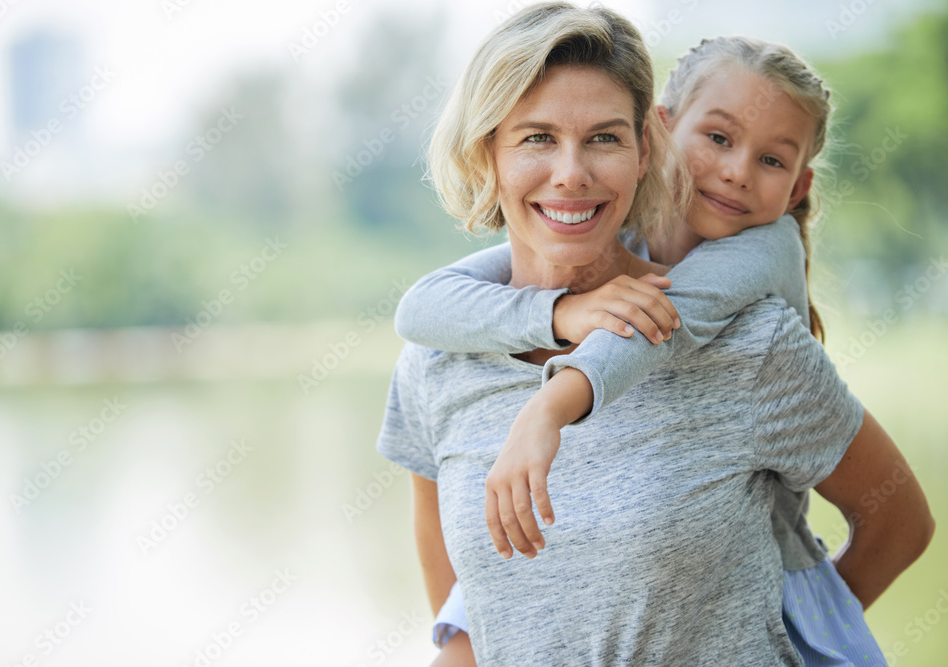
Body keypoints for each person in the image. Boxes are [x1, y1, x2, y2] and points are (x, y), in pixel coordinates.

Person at [375, 3, 934, 665]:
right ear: (484, 152)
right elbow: (464, 595)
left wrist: (788, 638)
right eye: (537, 137)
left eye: (603, 138)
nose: (572, 173)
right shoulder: (438, 359)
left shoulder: (751, 340)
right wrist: (560, 313)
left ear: (645, 149)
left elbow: (899, 521)